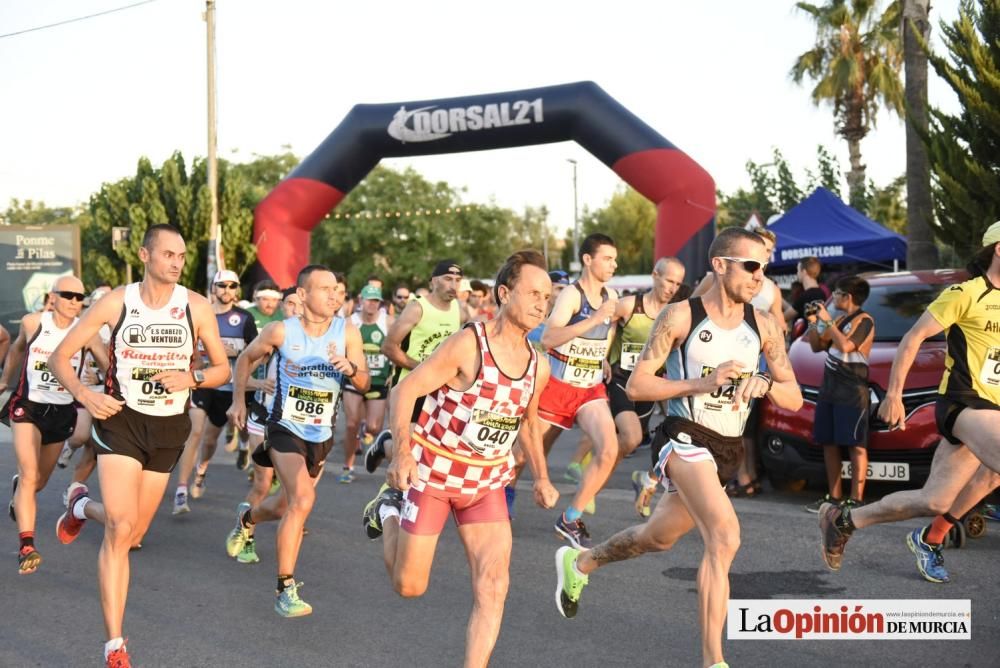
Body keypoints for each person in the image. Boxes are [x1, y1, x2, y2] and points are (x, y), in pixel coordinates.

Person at [553, 228, 802, 668]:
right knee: (725, 536)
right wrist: (700, 383)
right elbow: (638, 385)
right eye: (750, 265)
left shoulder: (762, 326)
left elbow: (795, 397)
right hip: (683, 435)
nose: (759, 275)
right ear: (720, 265)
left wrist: (764, 382)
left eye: (764, 267)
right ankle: (713, 661)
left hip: (725, 449)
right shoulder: (679, 317)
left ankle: (581, 564)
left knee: (657, 538)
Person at [361, 250, 559, 668]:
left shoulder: (538, 364)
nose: (544, 302)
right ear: (504, 294)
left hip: (486, 484)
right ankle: (390, 508)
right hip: (433, 473)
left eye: (549, 295)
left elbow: (527, 420)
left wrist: (541, 477)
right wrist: (403, 453)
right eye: (534, 293)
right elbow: (405, 391)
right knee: (408, 586)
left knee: (494, 585)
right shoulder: (469, 344)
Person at [49, 224, 231, 667]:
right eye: (168, 253)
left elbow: (224, 367)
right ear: (146, 255)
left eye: (182, 256)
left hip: (169, 427)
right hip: (122, 421)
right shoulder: (116, 302)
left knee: (132, 532)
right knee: (118, 526)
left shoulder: (196, 306)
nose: (176, 261)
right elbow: (60, 357)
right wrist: (87, 395)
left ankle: (79, 509)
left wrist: (193, 377)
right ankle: (115, 645)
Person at [819, 222, 1000, 581]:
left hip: (993, 410)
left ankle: (846, 521)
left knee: (935, 500)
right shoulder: (966, 294)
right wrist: (894, 394)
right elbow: (913, 337)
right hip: (965, 403)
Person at [225, 265, 369, 617]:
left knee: (283, 506)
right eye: (325, 289)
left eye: (337, 289)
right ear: (302, 295)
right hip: (284, 428)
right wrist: (239, 400)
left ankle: (247, 521)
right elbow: (245, 358)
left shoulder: (347, 331)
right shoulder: (280, 331)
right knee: (303, 499)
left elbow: (364, 382)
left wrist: (349, 369)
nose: (334, 295)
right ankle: (284, 589)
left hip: (320, 434)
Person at [0, 276, 106, 574]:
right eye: (68, 295)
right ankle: (27, 546)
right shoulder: (33, 322)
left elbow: (109, 367)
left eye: (79, 297)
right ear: (54, 296)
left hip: (61, 412)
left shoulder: (87, 333)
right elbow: (18, 349)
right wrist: (5, 379)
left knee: (39, 483)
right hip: (28, 407)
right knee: (30, 473)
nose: (74, 301)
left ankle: (20, 489)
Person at [533, 233, 620, 548]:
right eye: (607, 258)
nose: (614, 264)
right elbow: (549, 338)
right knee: (522, 456)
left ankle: (570, 517)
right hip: (558, 386)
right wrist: (593, 320)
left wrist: (603, 358)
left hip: (589, 389)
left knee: (609, 449)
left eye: (614, 259)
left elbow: (607, 330)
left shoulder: (612, 295)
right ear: (588, 259)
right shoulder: (572, 295)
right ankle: (502, 496)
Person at [365, 260, 465, 471]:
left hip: (441, 389)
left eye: (458, 280)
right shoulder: (417, 308)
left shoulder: (459, 309)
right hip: (410, 386)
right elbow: (389, 347)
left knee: (436, 451)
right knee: (409, 454)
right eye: (448, 279)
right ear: (433, 281)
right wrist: (422, 368)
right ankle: (385, 446)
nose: (453, 285)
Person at [171, 269, 257, 512]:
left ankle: (201, 470)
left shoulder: (244, 318)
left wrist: (238, 356)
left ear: (237, 290)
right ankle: (180, 489)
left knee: (210, 440)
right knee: (195, 431)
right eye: (221, 285)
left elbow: (258, 353)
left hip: (228, 387)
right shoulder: (199, 313)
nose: (226, 290)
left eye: (232, 286)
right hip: (201, 382)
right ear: (212, 288)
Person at [802, 276, 875, 512]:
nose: (833, 298)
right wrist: (814, 321)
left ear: (848, 297)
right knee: (829, 443)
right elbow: (816, 345)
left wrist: (827, 322)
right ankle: (833, 497)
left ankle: (856, 498)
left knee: (856, 445)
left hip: (852, 391)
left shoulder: (865, 321)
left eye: (837, 293)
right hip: (829, 390)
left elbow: (846, 346)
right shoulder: (839, 319)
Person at [340, 284, 393, 482]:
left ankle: (367, 431)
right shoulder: (349, 322)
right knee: (351, 424)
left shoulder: (388, 322)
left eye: (376, 301)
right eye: (369, 300)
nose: (372, 305)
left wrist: (393, 370)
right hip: (353, 377)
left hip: (379, 380)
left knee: (373, 428)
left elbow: (399, 345)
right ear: (361, 301)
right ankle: (348, 466)